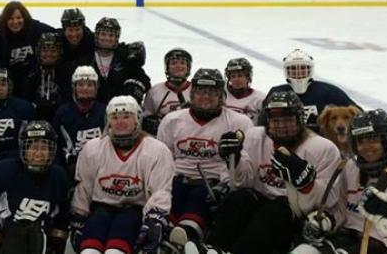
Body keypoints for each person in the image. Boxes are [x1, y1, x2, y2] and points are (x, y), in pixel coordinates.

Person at [199, 91, 341, 254]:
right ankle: (214, 248)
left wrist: (307, 185)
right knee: (241, 197)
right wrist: (234, 159)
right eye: (275, 120)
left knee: (280, 206)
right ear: (267, 121)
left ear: (300, 120)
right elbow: (242, 182)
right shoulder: (254, 137)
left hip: (295, 218)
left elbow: (330, 202)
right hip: (259, 207)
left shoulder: (323, 148)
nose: (281, 126)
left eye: (287, 120)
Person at [291, 109, 387, 254]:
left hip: (385, 247)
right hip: (347, 239)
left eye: (373, 139)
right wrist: (326, 221)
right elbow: (342, 210)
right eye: (360, 141)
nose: (366, 147)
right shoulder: (350, 168)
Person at [156, 68, 253, 249]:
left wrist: (225, 181)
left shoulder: (240, 123)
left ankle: (186, 241)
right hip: (176, 181)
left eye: (212, 92)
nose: (206, 97)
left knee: (193, 214)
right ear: (192, 94)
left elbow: (246, 171)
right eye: (201, 91)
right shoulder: (172, 120)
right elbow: (162, 160)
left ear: (222, 96)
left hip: (211, 185)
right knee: (163, 216)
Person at [71, 95, 174, 254]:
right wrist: (79, 217)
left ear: (138, 119)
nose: (120, 122)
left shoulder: (156, 150)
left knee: (116, 249)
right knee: (89, 250)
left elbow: (160, 190)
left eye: (126, 116)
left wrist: (155, 220)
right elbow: (84, 187)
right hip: (100, 210)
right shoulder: (92, 149)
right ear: (108, 120)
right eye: (115, 116)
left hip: (134, 212)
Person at [0, 121, 71, 254]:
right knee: (17, 230)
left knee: (36, 231)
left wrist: (57, 241)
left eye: (43, 148)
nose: (38, 153)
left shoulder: (59, 176)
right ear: (24, 149)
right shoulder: (4, 170)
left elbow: (63, 215)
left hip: (42, 236)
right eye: (34, 147)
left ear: (51, 150)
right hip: (9, 236)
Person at [266, 49, 357, 131]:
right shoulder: (276, 92)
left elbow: (358, 114)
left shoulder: (327, 90)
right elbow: (263, 122)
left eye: (303, 68)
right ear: (287, 71)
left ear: (310, 69)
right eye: (293, 68)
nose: (298, 72)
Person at [52, 66, 107, 179]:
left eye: (90, 85)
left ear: (96, 88)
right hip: (71, 171)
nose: (85, 88)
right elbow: (57, 146)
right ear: (74, 88)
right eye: (81, 84)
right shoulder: (63, 113)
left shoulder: (106, 112)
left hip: (103, 169)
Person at [0, 1, 55, 87]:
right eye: (11, 18)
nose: (15, 22)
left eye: (19, 18)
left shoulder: (34, 28)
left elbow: (56, 33)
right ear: (5, 20)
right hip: (7, 83)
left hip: (34, 80)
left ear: (25, 18)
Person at [90, 17, 151, 104]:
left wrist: (136, 87)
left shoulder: (124, 56)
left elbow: (144, 80)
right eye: (103, 34)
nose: (107, 38)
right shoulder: (87, 56)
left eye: (111, 35)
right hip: (92, 109)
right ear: (96, 35)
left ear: (117, 38)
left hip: (120, 110)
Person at [21, 32, 73, 122]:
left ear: (59, 52)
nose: (49, 54)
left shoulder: (67, 74)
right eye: (44, 51)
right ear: (38, 52)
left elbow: (69, 101)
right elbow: (26, 102)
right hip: (36, 121)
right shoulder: (31, 75)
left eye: (53, 51)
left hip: (61, 120)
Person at [142, 48, 193, 135]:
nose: (178, 66)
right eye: (174, 63)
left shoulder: (196, 90)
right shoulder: (154, 91)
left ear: (188, 68)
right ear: (167, 67)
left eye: (182, 63)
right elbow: (146, 117)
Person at [223, 58, 266, 124]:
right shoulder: (221, 95)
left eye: (240, 76)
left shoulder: (260, 98)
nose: (236, 79)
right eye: (233, 76)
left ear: (248, 77)